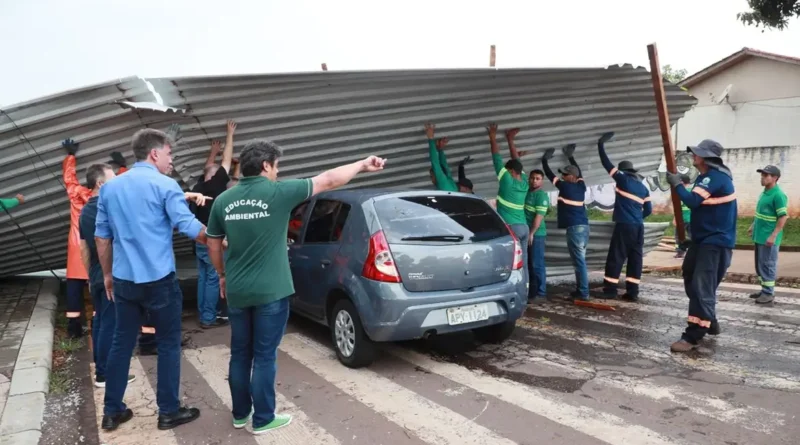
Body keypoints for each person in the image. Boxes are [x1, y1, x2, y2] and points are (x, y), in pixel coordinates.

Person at [205, 140, 386, 435]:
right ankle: (263, 418)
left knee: (240, 353)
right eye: (277, 166)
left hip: (237, 290)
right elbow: (328, 179)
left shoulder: (224, 200)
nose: (278, 172)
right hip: (271, 291)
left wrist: (222, 274)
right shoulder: (279, 193)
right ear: (266, 166)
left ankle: (240, 414)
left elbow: (212, 243)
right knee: (264, 355)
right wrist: (362, 164)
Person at [95, 128, 208, 431]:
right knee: (169, 343)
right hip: (159, 281)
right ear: (155, 153)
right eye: (170, 154)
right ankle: (169, 411)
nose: (172, 161)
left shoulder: (110, 189)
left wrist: (107, 275)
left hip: (124, 281)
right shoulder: (165, 185)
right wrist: (221, 241)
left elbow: (102, 239)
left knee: (122, 342)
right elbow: (189, 227)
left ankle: (112, 411)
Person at [665, 139, 736, 353]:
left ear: (707, 158)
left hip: (715, 243)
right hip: (703, 240)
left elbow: (693, 202)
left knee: (701, 287)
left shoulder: (715, 178)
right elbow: (704, 210)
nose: (694, 156)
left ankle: (693, 335)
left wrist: (677, 184)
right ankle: (709, 318)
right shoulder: (706, 177)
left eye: (697, 153)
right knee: (689, 275)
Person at [77, 162, 137, 388]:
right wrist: (107, 274)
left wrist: (91, 277)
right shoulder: (107, 208)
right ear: (100, 184)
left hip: (95, 273)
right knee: (111, 324)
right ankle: (105, 374)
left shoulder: (84, 212)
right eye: (112, 180)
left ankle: (101, 369)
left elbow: (84, 248)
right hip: (110, 273)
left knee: (101, 321)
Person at [190, 120, 237, 329]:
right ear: (216, 175)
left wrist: (212, 152)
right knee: (212, 278)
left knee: (203, 278)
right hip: (211, 239)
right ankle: (208, 318)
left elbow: (208, 167)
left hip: (199, 239)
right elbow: (226, 160)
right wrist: (230, 134)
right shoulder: (218, 183)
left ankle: (204, 313)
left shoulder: (199, 186)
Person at [595, 132, 652, 301]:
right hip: (638, 227)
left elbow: (606, 164)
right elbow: (648, 210)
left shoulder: (623, 180)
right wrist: (637, 217)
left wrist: (600, 145)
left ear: (623, 171)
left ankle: (611, 290)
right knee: (635, 258)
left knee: (616, 256)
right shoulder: (643, 188)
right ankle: (632, 292)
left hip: (624, 225)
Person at [541, 144, 590, 300]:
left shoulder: (564, 187)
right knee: (579, 261)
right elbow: (579, 172)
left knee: (579, 262)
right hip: (583, 227)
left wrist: (544, 160)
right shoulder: (581, 186)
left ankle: (583, 292)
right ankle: (580, 290)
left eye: (564, 174)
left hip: (575, 229)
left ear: (571, 177)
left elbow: (549, 175)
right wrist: (570, 156)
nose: (562, 176)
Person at [486, 124, 530, 275]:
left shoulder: (507, 181)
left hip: (511, 228)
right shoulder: (524, 182)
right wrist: (510, 140)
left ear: (510, 171)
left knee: (508, 262)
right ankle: (525, 290)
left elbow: (496, 158)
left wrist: (492, 137)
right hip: (524, 227)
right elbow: (517, 161)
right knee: (523, 262)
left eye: (507, 170)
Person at [61, 139, 92, 338]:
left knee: (73, 289)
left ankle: (74, 329)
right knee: (97, 287)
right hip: (94, 248)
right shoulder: (102, 198)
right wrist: (123, 167)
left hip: (75, 247)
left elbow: (69, 180)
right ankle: (97, 323)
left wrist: (70, 156)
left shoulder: (76, 195)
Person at [748, 165, 789, 305]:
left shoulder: (778, 195)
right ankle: (764, 289)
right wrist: (753, 225)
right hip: (760, 235)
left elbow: (783, 217)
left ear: (775, 178)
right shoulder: (765, 192)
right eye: (762, 175)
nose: (763, 177)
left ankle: (768, 293)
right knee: (760, 265)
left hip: (768, 238)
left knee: (768, 264)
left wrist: (774, 235)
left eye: (766, 175)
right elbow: (761, 213)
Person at [423, 123, 472, 193]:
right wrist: (431, 139)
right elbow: (436, 164)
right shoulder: (445, 185)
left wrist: (440, 150)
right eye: (431, 176)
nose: (431, 179)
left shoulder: (452, 186)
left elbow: (445, 169)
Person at [524, 169, 549, 303]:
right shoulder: (527, 192)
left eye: (537, 178)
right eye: (532, 178)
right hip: (527, 233)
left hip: (536, 234)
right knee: (529, 264)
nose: (534, 180)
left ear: (542, 180)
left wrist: (531, 233)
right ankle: (532, 292)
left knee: (537, 263)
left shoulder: (541, 196)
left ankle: (541, 293)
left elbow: (538, 218)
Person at [674, 174, 692, 259]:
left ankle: (680, 252)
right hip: (688, 219)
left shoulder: (682, 192)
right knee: (691, 236)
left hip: (685, 219)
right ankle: (688, 252)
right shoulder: (692, 190)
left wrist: (675, 218)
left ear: (681, 182)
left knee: (679, 236)